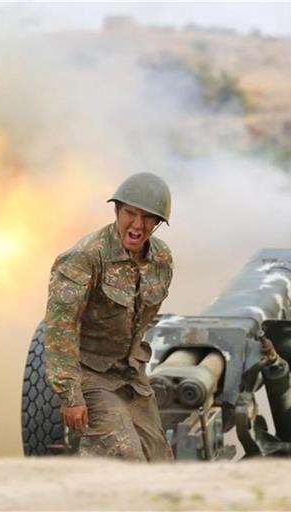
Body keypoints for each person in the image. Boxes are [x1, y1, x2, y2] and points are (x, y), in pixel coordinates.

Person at [43, 172, 174, 461]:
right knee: (124, 458)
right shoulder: (84, 258)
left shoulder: (161, 259)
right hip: (90, 374)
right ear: (117, 210)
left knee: (160, 462)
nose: (137, 225)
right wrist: (70, 396)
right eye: (130, 213)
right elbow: (59, 330)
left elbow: (141, 318)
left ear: (157, 223)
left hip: (130, 375)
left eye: (148, 218)